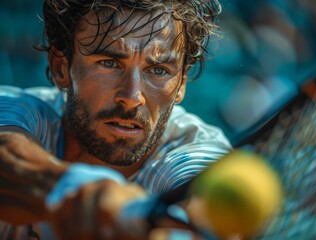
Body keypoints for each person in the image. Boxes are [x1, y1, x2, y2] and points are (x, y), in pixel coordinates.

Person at [0, 0, 232, 239]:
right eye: (109, 64)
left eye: (159, 70)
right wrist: (72, 189)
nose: (132, 97)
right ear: (61, 67)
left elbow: (211, 203)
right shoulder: (16, 108)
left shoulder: (194, 146)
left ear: (181, 83)